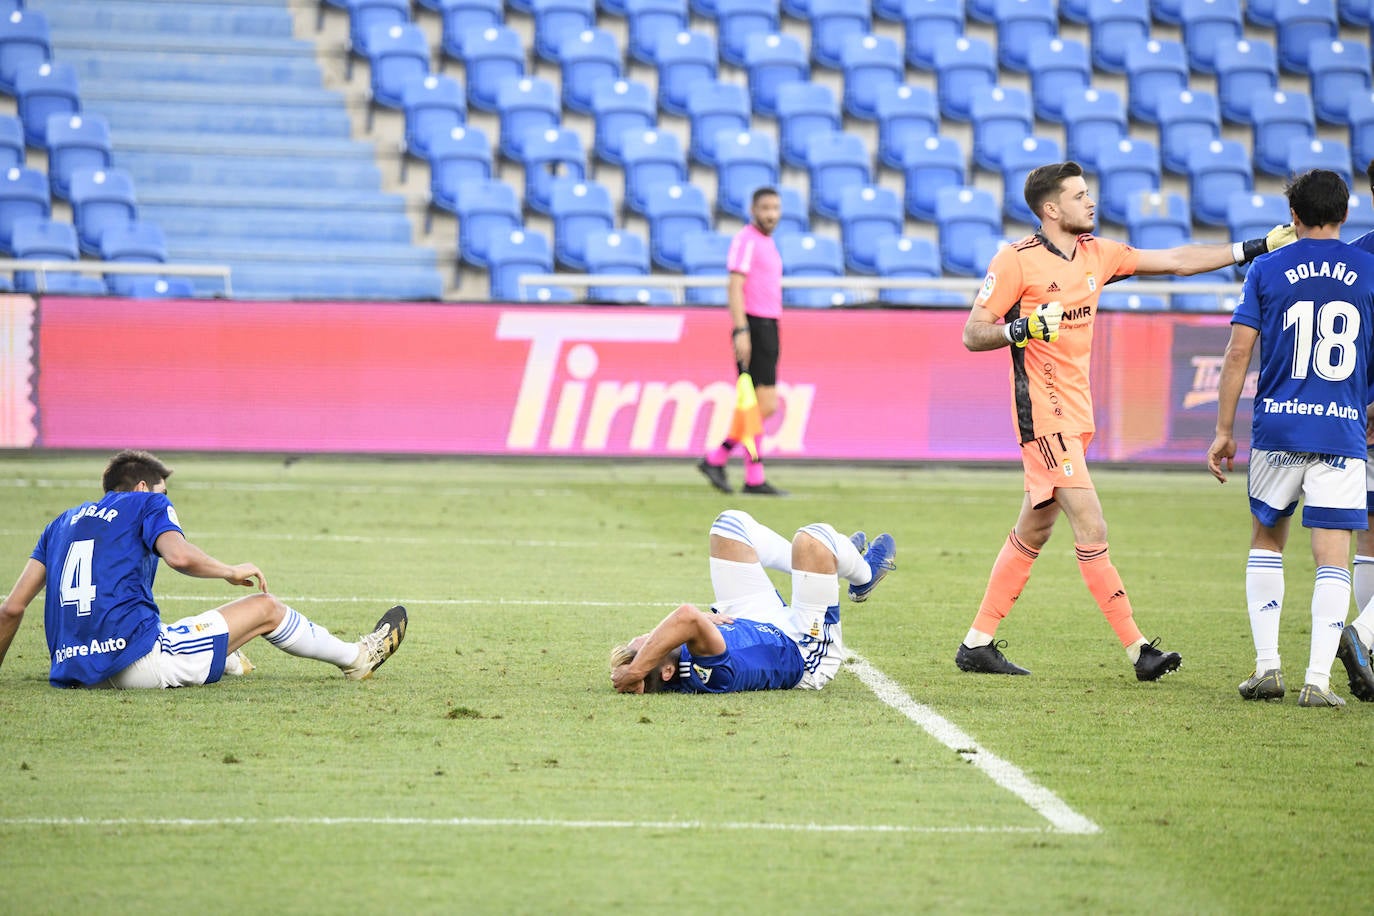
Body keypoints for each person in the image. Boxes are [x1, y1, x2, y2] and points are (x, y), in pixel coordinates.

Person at [956, 160, 1295, 680]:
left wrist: (1254, 248)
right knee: (1091, 525)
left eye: (1089, 193)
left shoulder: (1099, 253)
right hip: (1043, 419)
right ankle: (1139, 651)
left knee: (1036, 526)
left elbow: (1177, 260)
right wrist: (1021, 328)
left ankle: (976, 642)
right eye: (1079, 195)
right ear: (1051, 209)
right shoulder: (1015, 262)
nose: (1091, 201)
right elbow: (973, 333)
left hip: (1077, 415)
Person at [0, 450, 406, 688]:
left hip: (72, 669)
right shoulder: (147, 504)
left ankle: (228, 658)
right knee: (264, 606)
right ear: (142, 488)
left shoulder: (59, 524)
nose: (166, 500)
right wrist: (228, 570)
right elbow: (178, 556)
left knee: (172, 628)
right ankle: (359, 657)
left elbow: (11, 610)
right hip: (133, 664)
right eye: (164, 491)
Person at [1223, 166, 1374, 706]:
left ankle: (1268, 669)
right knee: (1333, 556)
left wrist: (1222, 431)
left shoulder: (1266, 268)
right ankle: (1318, 682)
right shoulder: (1370, 268)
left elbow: (1239, 352)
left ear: (1293, 215)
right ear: (1346, 214)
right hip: (1341, 429)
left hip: (1278, 426)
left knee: (1267, 540)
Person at [610, 509, 895, 693]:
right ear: (668, 670)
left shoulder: (686, 650)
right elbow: (685, 616)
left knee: (729, 527)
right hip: (800, 647)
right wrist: (635, 672)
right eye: (646, 644)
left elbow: (688, 624)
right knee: (812, 539)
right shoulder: (703, 673)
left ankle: (835, 559)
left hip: (750, 622)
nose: (648, 636)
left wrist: (702, 621)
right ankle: (861, 573)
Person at [698, 186, 787, 497]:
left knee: (762, 406)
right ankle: (750, 475)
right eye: (765, 208)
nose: (771, 214)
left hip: (769, 324)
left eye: (775, 208)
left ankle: (719, 459)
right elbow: (735, 286)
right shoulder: (746, 240)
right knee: (760, 404)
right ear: (753, 210)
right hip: (753, 324)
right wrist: (741, 330)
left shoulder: (768, 243)